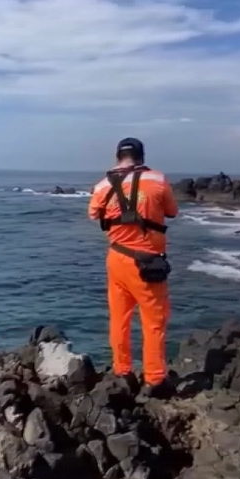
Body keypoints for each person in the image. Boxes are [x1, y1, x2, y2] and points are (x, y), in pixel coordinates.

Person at [87, 138, 179, 397]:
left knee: (119, 318)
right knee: (154, 321)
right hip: (147, 261)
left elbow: (94, 214)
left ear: (118, 157)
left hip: (116, 259)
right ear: (141, 156)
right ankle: (155, 379)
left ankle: (122, 371)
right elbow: (172, 211)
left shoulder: (102, 185)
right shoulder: (158, 180)